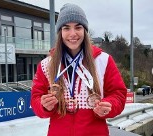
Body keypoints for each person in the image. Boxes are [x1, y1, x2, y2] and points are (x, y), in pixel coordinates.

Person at [31, 3, 127, 136]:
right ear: (60, 32)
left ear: (85, 30)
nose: (73, 34)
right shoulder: (46, 65)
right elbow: (36, 98)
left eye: (78, 27)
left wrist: (108, 105)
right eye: (66, 28)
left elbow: (119, 94)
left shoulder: (103, 61)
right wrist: (43, 105)